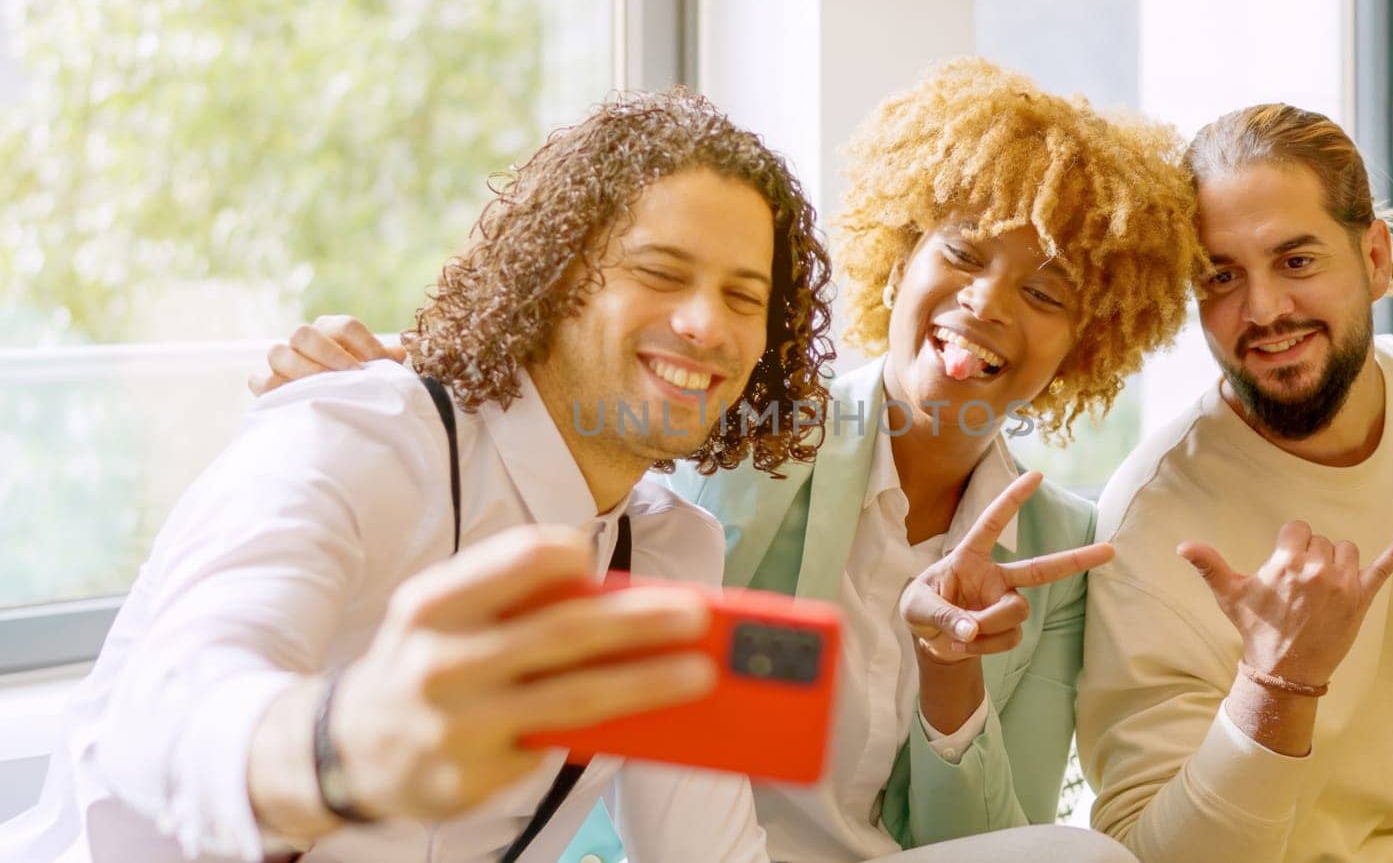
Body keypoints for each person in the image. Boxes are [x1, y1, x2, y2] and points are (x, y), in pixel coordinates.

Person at [247, 57, 1206, 862]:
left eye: (1046, 292)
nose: (989, 303)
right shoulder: (751, 424)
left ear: (1092, 339)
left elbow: (989, 840)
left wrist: (949, 678)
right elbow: (581, 439)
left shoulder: (1056, 546)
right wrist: (424, 370)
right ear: (900, 259)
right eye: (960, 253)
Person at [0, 89, 836, 862]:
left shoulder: (670, 551)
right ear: (560, 275)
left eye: (743, 295)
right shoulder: (357, 435)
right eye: (660, 272)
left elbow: (709, 852)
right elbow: (164, 714)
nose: (704, 323)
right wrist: (345, 746)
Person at [1075, 103, 1393, 862]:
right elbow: (1149, 852)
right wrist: (1274, 686)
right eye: (1221, 277)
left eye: (1296, 261)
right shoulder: (1153, 517)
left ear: (1376, 257)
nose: (1263, 310)